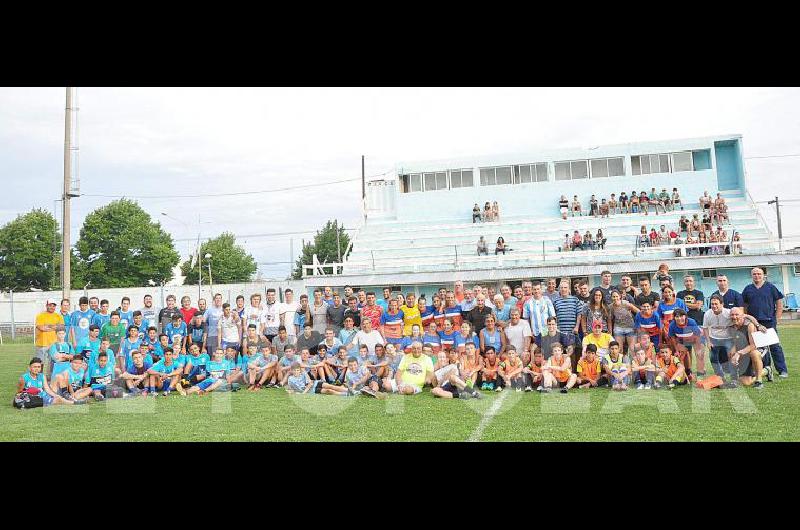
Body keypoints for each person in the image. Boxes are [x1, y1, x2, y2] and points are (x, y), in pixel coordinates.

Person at [742, 266, 788, 377]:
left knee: (774, 346)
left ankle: (782, 370)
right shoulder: (748, 289)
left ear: (763, 275)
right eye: (754, 274)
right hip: (754, 323)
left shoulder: (771, 287)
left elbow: (779, 302)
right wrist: (748, 319)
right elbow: (744, 306)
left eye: (759, 274)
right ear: (751, 275)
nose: (757, 276)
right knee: (759, 347)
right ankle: (766, 368)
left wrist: (777, 317)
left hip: (769, 321)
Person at [522, 282, 556, 349]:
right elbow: (526, 320)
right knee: (537, 352)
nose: (536, 291)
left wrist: (553, 330)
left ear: (541, 289)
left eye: (538, 289)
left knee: (549, 351)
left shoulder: (547, 300)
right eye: (534, 289)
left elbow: (553, 317)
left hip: (547, 332)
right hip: (535, 333)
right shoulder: (527, 303)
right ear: (532, 290)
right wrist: (530, 332)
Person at [610, 290, 637, 355]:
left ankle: (632, 363)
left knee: (632, 349)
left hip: (630, 327)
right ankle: (620, 364)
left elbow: (638, 312)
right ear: (611, 297)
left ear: (620, 296)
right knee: (619, 349)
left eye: (617, 296)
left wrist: (637, 324)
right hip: (618, 328)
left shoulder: (625, 304)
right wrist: (610, 331)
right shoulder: (611, 307)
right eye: (613, 296)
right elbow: (610, 320)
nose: (615, 298)